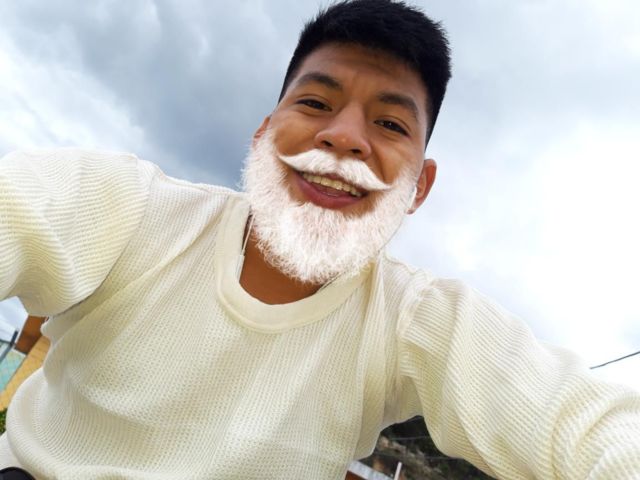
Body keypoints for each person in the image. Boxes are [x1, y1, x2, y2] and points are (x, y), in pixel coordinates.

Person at [0, 0, 638, 478]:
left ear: (419, 187)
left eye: (390, 123)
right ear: (262, 134)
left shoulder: (411, 320)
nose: (345, 138)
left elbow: (582, 421)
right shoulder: (131, 209)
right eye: (314, 104)